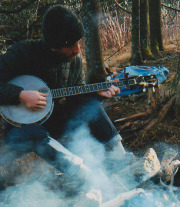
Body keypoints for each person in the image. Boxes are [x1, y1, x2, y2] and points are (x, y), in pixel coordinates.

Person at [0, 5, 127, 193]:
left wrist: (94, 94)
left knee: (88, 103)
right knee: (33, 132)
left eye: (78, 43)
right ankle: (83, 175)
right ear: (54, 45)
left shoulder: (74, 62)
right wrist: (21, 95)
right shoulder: (22, 53)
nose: (77, 50)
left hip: (57, 123)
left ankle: (121, 157)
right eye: (71, 45)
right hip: (20, 131)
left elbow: (76, 95)